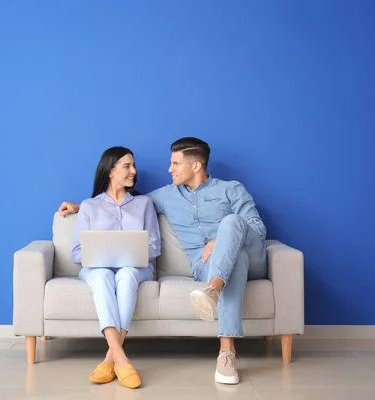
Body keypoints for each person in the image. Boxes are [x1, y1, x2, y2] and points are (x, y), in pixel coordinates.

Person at [59, 138, 267, 385]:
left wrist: (221, 239)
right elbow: (123, 202)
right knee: (236, 260)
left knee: (232, 225)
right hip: (207, 265)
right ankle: (226, 352)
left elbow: (258, 228)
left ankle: (213, 291)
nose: (170, 169)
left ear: (197, 166)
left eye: (175, 164)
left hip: (251, 255)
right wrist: (79, 207)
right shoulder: (166, 196)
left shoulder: (231, 189)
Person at [70, 146, 161, 389]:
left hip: (136, 267)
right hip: (96, 268)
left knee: (127, 273)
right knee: (100, 276)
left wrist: (130, 255)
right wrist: (105, 257)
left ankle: (111, 359)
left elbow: (154, 246)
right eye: (127, 166)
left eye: (133, 166)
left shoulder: (144, 203)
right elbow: (77, 252)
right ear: (110, 171)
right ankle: (121, 358)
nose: (133, 171)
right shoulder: (89, 206)